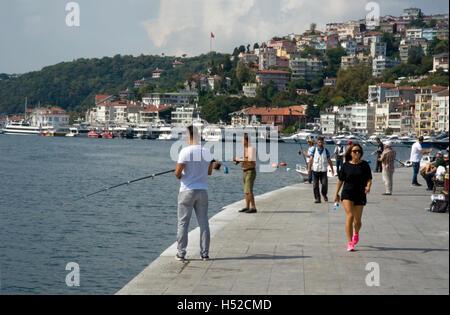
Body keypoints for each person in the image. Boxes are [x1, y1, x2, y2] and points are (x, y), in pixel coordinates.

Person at [174, 125, 216, 262]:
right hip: (202, 191)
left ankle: (181, 253)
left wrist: (183, 175)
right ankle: (205, 254)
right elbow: (209, 172)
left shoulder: (184, 152)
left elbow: (177, 173)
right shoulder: (207, 152)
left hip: (187, 191)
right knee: (204, 223)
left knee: (183, 223)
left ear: (188, 136)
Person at [334, 143, 372, 252]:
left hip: (360, 193)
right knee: (350, 216)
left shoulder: (364, 165)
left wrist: (368, 186)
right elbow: (340, 180)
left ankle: (356, 233)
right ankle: (350, 243)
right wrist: (336, 193)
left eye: (359, 151)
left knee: (358, 221)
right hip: (347, 193)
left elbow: (369, 179)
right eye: (355, 151)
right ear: (350, 153)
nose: (357, 153)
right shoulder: (346, 165)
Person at [234, 133, 257, 213]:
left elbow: (250, 159)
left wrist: (239, 159)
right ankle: (247, 207)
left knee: (249, 190)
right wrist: (237, 161)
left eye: (243, 140)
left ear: (247, 141)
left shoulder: (251, 149)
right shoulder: (246, 149)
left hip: (250, 171)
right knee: (246, 190)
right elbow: (245, 159)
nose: (241, 141)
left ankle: (253, 207)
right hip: (245, 171)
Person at [308, 137, 335, 203]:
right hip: (315, 170)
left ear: (323, 142)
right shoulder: (314, 150)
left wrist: (332, 169)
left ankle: (324, 194)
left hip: (323, 171)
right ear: (317, 142)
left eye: (321, 142)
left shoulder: (326, 151)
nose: (320, 143)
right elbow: (310, 160)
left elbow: (329, 160)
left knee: (324, 184)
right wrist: (309, 168)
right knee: (315, 185)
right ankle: (317, 198)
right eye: (319, 142)